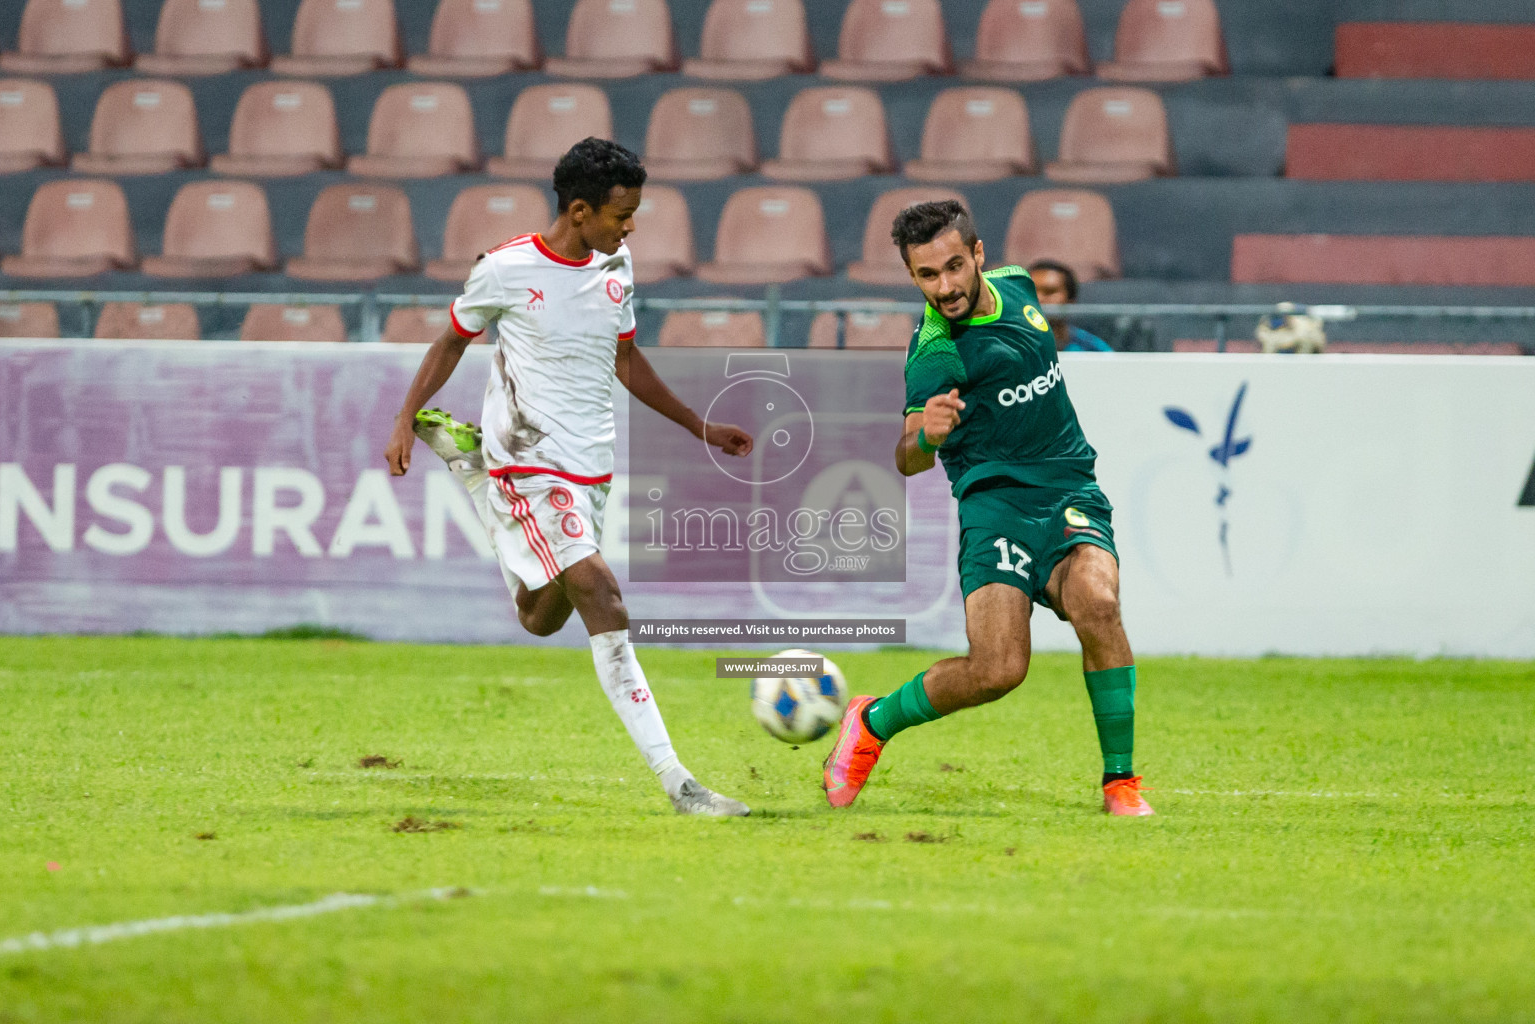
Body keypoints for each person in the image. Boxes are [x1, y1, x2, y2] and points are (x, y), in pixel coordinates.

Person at [384, 137, 755, 817]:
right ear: (579, 210)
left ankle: (468, 473)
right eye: (622, 213)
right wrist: (406, 416)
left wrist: (698, 425)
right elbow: (450, 342)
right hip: (529, 462)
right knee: (604, 598)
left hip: (592, 469)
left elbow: (627, 359)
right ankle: (681, 784)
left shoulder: (616, 266)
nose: (631, 226)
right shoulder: (504, 269)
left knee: (539, 615)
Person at [822, 201, 1153, 817]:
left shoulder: (1019, 284)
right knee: (999, 669)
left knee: (1098, 603)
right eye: (926, 276)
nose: (944, 287)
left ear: (979, 256)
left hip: (1069, 490)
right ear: (912, 277)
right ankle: (870, 721)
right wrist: (931, 436)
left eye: (953, 267)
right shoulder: (935, 352)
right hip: (995, 508)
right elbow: (906, 457)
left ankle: (1121, 784)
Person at [1027, 259, 1113, 353]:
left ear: (1070, 300)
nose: (1038, 298)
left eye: (1049, 292)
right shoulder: (1011, 346)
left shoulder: (1091, 349)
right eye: (1030, 291)